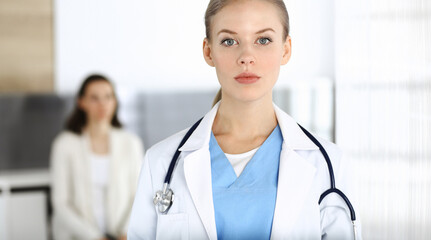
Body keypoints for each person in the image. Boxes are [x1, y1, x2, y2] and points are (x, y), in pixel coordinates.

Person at [128, 0, 362, 239]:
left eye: (263, 40)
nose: (246, 57)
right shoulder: (159, 163)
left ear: (286, 49)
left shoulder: (329, 164)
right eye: (229, 41)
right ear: (209, 52)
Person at [50, 74, 144, 240]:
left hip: (121, 235)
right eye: (94, 98)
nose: (102, 104)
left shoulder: (131, 143)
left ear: (115, 101)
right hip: (78, 236)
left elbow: (138, 194)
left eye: (108, 97)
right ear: (81, 102)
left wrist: (125, 232)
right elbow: (61, 203)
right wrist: (94, 237)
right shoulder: (65, 145)